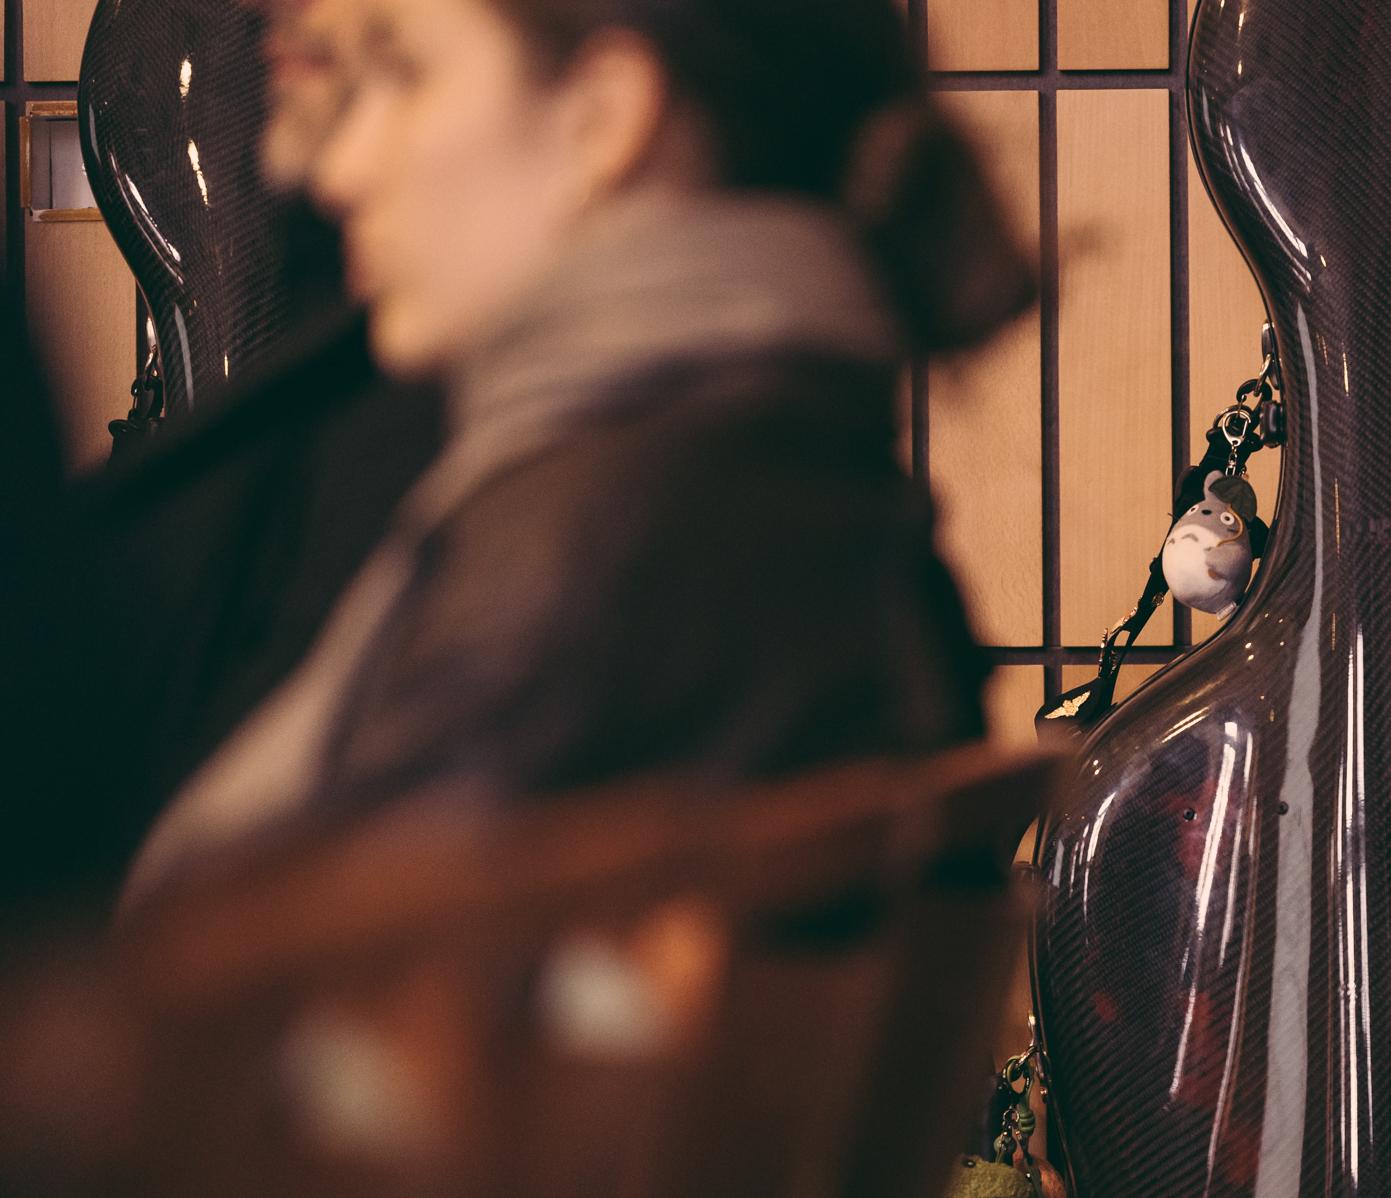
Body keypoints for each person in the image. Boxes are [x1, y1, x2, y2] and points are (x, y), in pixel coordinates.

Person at [120, 0, 1030, 907]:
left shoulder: (581, 564)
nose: (333, 171)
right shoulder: (796, 473)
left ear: (600, 119)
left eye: (403, 73)